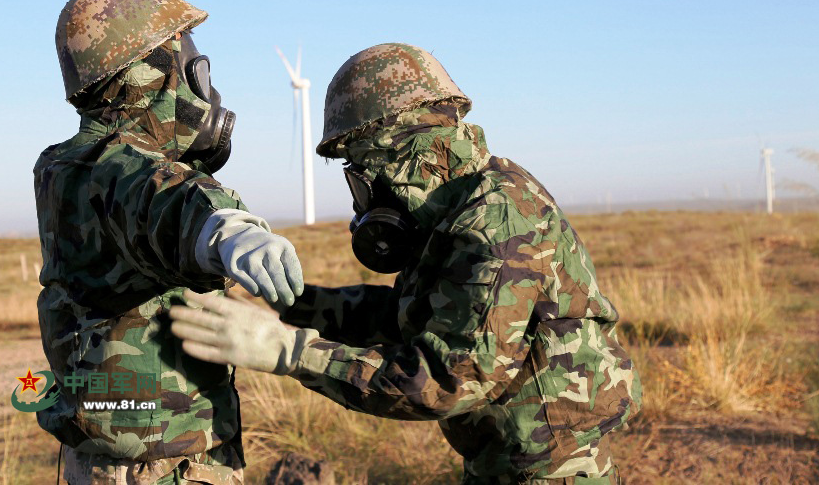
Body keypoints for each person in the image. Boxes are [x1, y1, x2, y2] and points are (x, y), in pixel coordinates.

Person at [170, 43, 642, 484]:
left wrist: (289, 352)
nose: (365, 196)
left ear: (403, 153)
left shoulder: (495, 218)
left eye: (362, 170)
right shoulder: (460, 201)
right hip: (510, 458)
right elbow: (412, 317)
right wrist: (293, 306)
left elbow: (450, 378)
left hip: (549, 469)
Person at [36, 0, 304, 485]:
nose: (203, 88)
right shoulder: (120, 168)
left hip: (96, 457)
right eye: (191, 68)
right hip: (160, 465)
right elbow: (165, 199)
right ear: (151, 75)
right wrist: (232, 231)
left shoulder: (61, 167)